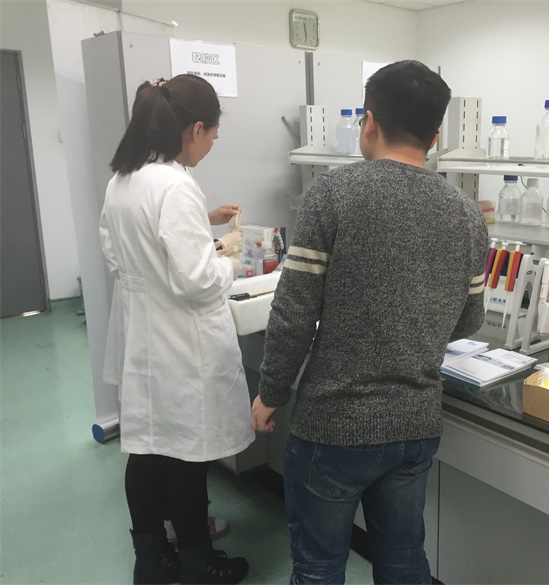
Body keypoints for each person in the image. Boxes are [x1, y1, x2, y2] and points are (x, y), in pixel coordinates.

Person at [251, 61, 488, 584]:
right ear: (436, 136)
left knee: (318, 566)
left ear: (369, 121)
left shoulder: (333, 194)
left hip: (333, 424)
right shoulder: (467, 215)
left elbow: (293, 314)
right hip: (415, 426)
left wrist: (270, 393)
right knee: (404, 562)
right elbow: (469, 319)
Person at [99, 74, 252, 585]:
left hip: (142, 336)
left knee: (146, 448)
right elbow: (197, 281)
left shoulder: (124, 179)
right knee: (187, 454)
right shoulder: (176, 185)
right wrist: (230, 260)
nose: (212, 144)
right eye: (213, 135)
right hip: (182, 343)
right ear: (196, 130)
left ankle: (152, 558)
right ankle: (197, 561)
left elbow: (123, 251)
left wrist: (203, 225)